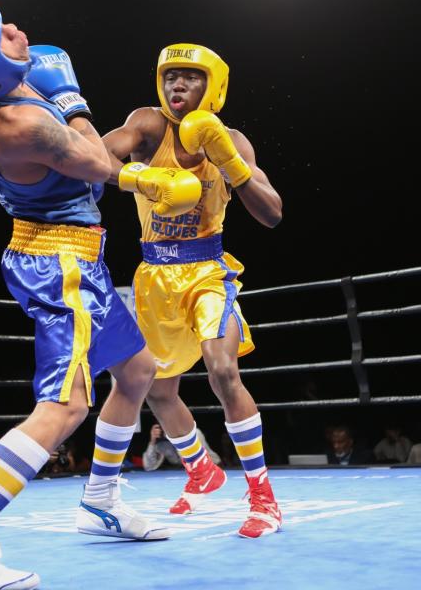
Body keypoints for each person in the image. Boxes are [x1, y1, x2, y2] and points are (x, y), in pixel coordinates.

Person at [0, 0, 200, 589]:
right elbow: (97, 162)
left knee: (138, 370)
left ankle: (100, 501)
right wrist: (71, 100)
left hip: (71, 254)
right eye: (4, 35)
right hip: (58, 261)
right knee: (66, 407)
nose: (19, 31)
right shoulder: (21, 123)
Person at [102, 44, 284, 538]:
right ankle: (202, 469)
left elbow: (272, 213)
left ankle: (263, 498)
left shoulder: (233, 139)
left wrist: (229, 162)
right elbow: (93, 158)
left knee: (223, 369)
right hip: (154, 276)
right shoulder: (146, 124)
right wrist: (138, 177)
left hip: (208, 270)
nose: (177, 85)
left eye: (190, 77)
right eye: (170, 76)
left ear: (213, 86)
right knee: (157, 390)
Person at [142, 422, 221, 471]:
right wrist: (152, 442)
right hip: (182, 474)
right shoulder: (162, 444)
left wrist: (171, 435)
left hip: (213, 467)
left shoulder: (193, 434)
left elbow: (194, 464)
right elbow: (148, 467)